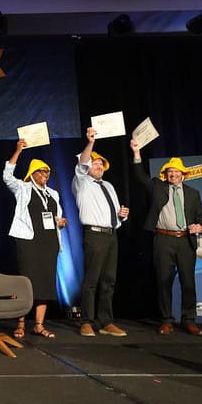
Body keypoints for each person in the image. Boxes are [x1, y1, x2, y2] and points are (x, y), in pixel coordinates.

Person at [130, 140, 202, 336]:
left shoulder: (193, 193)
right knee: (164, 281)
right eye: (169, 171)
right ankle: (166, 320)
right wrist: (136, 153)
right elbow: (140, 176)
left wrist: (200, 226)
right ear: (165, 174)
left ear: (183, 174)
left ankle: (189, 320)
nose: (173, 174)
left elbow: (200, 217)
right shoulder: (157, 186)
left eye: (176, 171)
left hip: (185, 241)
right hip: (163, 240)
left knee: (188, 282)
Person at [2, 139, 67, 339]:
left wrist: (60, 222)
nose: (44, 175)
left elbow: (52, 216)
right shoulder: (23, 188)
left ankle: (39, 325)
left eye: (47, 172)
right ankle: (21, 324)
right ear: (32, 174)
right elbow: (7, 176)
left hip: (49, 242)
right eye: (40, 172)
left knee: (46, 283)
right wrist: (18, 151)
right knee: (27, 283)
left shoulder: (53, 193)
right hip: (29, 242)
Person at [71, 128, 129, 338]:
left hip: (111, 235)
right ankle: (86, 321)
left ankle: (105, 321)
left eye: (101, 164)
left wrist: (122, 215)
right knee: (92, 280)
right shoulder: (82, 182)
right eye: (95, 163)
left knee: (109, 280)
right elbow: (83, 162)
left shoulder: (109, 186)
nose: (99, 166)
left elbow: (113, 214)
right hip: (94, 235)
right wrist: (91, 142)